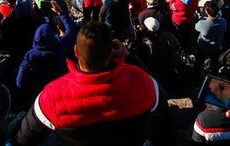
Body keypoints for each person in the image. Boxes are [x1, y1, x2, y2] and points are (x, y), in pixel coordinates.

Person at [14, 22, 164, 146]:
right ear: (111, 53)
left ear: (76, 52)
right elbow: (163, 101)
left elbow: (24, 136)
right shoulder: (141, 81)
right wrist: (130, 57)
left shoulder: (51, 96)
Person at [16, 2, 74, 107]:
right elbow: (70, 30)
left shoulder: (30, 56)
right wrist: (61, 13)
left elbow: (20, 81)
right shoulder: (61, 45)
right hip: (60, 86)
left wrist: (24, 94)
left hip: (40, 90)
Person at [194, 1, 227, 72]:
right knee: (214, 64)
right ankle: (214, 75)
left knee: (198, 64)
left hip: (203, 47)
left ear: (206, 11)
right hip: (216, 47)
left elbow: (196, 27)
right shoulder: (223, 22)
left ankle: (196, 76)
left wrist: (200, 18)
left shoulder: (202, 23)